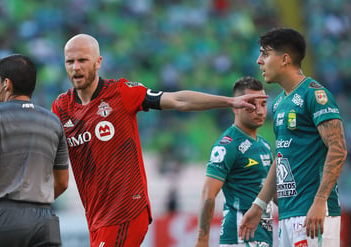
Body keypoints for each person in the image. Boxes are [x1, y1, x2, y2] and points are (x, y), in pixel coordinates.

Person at [51, 34, 268, 247]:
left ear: (98, 62)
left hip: (126, 211)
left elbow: (178, 100)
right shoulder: (62, 107)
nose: (76, 67)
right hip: (96, 217)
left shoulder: (121, 93)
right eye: (70, 61)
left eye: (82, 60)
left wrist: (230, 101)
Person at [238, 27, 347, 247]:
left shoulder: (315, 95)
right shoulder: (279, 103)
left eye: (265, 54)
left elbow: (338, 148)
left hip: (314, 214)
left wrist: (319, 202)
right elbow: (282, 158)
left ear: (285, 59)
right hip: (288, 213)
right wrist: (259, 205)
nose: (259, 61)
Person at [0, 54, 69, 247]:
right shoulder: (54, 121)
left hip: (4, 216)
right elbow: (63, 182)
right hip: (46, 220)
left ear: (6, 83)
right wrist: (36, 199)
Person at [194, 76, 273, 247]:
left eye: (263, 105)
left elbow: (273, 194)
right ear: (236, 107)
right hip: (239, 238)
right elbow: (208, 194)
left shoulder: (265, 145)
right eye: (251, 104)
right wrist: (202, 239)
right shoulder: (228, 145)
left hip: (264, 237)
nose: (259, 111)